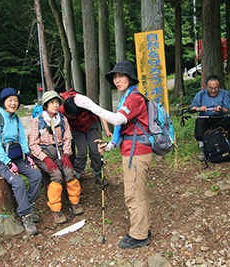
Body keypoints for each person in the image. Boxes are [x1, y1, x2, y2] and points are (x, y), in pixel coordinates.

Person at [74, 60, 153, 249]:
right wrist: (109, 146)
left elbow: (118, 119)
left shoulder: (134, 98)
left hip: (137, 153)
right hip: (133, 151)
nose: (117, 80)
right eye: (115, 77)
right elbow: (122, 128)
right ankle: (142, 228)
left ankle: (140, 235)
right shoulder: (127, 97)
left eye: (121, 76)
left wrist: (89, 104)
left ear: (130, 78)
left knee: (134, 194)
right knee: (136, 193)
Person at [0, 87, 42, 236]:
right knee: (17, 182)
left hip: (16, 156)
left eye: (16, 100)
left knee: (36, 175)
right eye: (10, 100)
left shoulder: (16, 118)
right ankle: (26, 215)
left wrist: (27, 155)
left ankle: (30, 204)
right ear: (3, 102)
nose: (13, 103)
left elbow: (22, 138)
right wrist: (8, 163)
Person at [29, 91, 83, 224]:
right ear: (46, 105)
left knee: (70, 172)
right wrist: (44, 158)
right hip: (44, 154)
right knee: (57, 175)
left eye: (57, 102)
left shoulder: (63, 119)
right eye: (52, 102)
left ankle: (74, 202)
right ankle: (55, 209)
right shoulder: (38, 121)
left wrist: (66, 154)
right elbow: (33, 144)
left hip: (59, 152)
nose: (55, 105)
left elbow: (67, 139)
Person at [59, 97, 112, 186]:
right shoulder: (62, 110)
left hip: (91, 125)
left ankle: (98, 174)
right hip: (76, 129)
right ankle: (76, 177)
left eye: (75, 115)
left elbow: (99, 113)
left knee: (94, 149)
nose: (74, 117)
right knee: (82, 152)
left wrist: (107, 130)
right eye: (72, 116)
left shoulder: (85, 105)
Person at [189, 75, 230, 161]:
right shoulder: (200, 94)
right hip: (206, 119)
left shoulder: (225, 93)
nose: (213, 90)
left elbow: (227, 110)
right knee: (199, 121)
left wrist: (220, 110)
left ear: (219, 86)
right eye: (211, 88)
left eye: (216, 88)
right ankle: (202, 148)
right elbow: (191, 109)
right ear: (207, 86)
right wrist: (199, 108)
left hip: (220, 119)